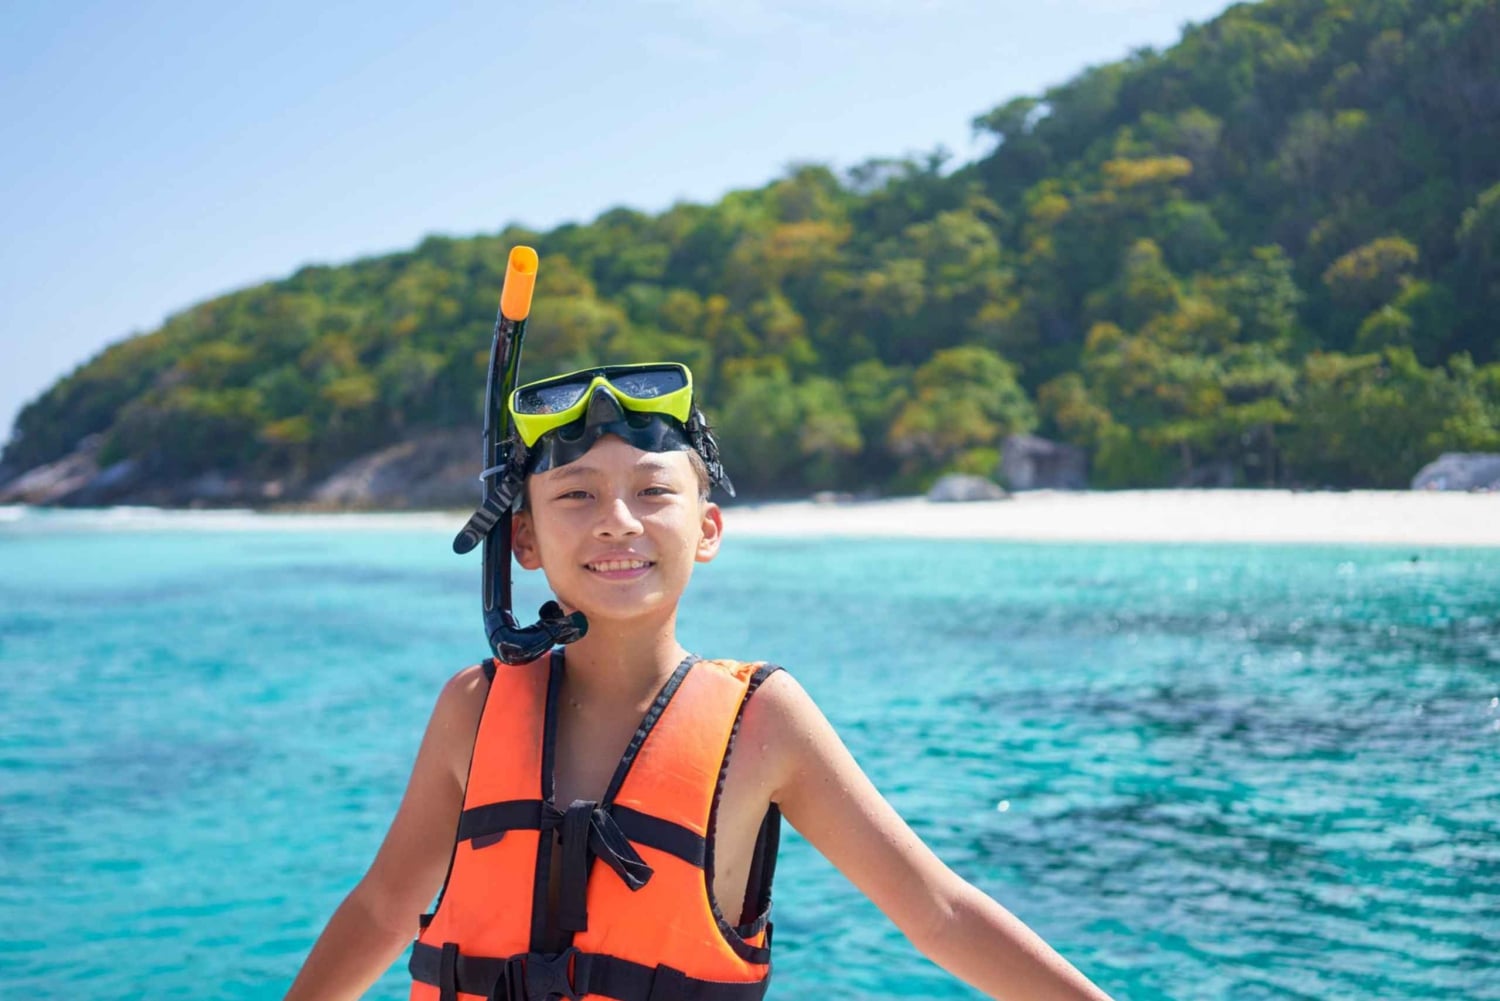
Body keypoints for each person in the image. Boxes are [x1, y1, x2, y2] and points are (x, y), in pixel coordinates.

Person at [285, 363, 1112, 1001]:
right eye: (577, 494)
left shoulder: (762, 722)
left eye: (653, 493)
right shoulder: (474, 707)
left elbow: (937, 910)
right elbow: (385, 907)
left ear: (707, 528)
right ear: (525, 540)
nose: (617, 520)